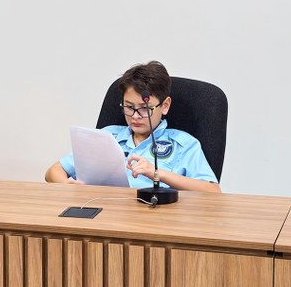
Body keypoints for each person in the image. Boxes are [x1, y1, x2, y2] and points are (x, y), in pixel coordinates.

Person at [45, 61, 221, 192]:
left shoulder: (183, 145)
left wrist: (157, 173)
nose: (135, 116)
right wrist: (67, 185)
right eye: (129, 107)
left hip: (154, 220)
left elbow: (213, 192)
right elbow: (53, 171)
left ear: (165, 106)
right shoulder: (107, 137)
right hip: (104, 216)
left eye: (145, 109)